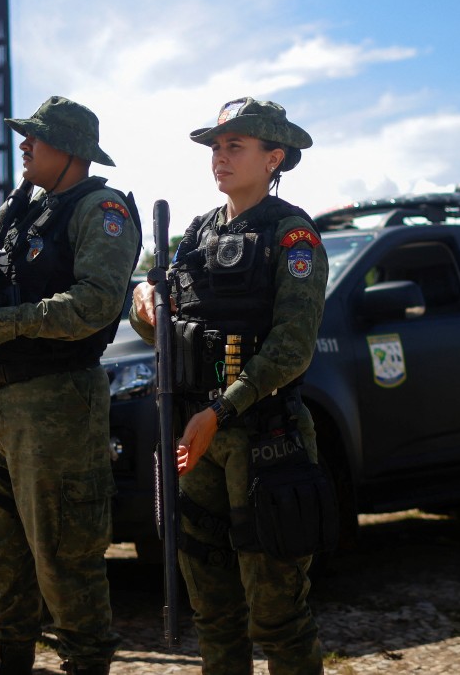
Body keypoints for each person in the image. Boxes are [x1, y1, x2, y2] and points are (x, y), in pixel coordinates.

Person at [130, 97, 328, 674]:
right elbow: (163, 325)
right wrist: (144, 303)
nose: (219, 158)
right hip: (196, 439)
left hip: (265, 441)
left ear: (275, 157)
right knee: (212, 612)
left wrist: (222, 410)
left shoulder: (292, 237)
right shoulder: (196, 234)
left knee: (278, 616)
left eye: (234, 147)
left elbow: (291, 349)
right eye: (216, 147)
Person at [0, 96, 139, 675]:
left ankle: (85, 662)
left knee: (64, 556)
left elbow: (97, 303)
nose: (24, 145)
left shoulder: (99, 209)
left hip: (56, 399)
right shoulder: (26, 212)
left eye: (37, 138)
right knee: (2, 555)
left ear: (72, 149)